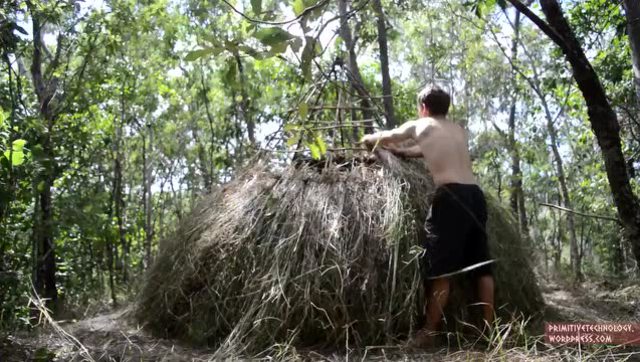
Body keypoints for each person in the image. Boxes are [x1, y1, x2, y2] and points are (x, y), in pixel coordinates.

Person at [360, 85, 495, 348]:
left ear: (423, 107)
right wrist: (407, 153)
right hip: (475, 195)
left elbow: (385, 137)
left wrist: (367, 139)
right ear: (446, 107)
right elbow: (433, 149)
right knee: (482, 266)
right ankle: (488, 331)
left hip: (451, 197)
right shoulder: (457, 130)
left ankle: (428, 333)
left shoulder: (418, 125)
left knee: (441, 268)